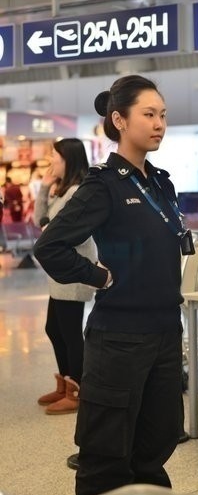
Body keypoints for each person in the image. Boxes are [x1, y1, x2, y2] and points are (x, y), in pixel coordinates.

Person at [34, 75, 187, 495]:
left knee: (155, 446)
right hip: (120, 338)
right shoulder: (103, 185)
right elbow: (50, 246)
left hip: (165, 332)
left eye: (163, 115)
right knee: (105, 457)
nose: (159, 124)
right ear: (119, 120)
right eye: (148, 114)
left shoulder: (161, 183)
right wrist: (97, 276)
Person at [33, 139, 97, 415]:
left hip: (73, 270)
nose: (51, 161)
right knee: (54, 328)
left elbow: (54, 230)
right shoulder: (62, 191)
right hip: (60, 273)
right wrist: (44, 187)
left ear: (68, 160)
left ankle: (78, 391)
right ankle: (66, 384)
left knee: (69, 332)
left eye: (54, 157)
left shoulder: (76, 192)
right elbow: (40, 220)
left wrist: (47, 229)